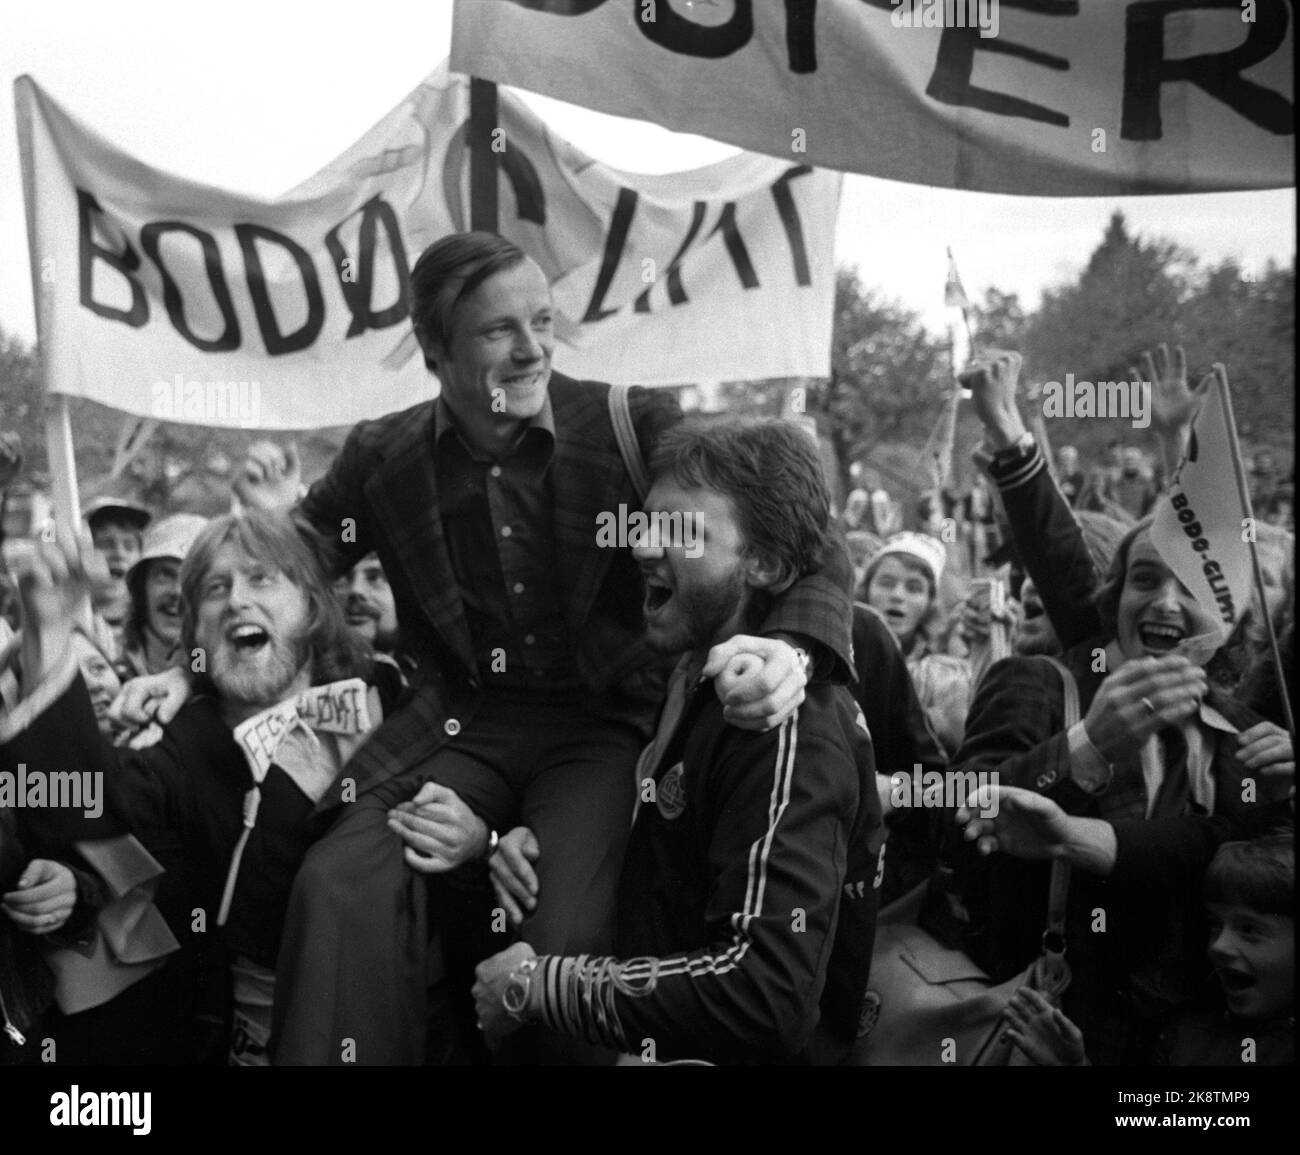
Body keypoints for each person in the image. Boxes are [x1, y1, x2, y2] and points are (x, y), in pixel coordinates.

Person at [131, 231, 855, 1065]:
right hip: (455, 728)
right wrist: (187, 674)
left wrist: (794, 648)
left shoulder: (631, 424)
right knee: (336, 885)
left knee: (560, 942)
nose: (532, 347)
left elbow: (794, 527)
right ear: (436, 351)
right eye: (499, 330)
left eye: (543, 320)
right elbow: (280, 569)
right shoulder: (382, 454)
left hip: (602, 730)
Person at [472, 417, 883, 1064]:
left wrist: (543, 987)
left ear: (765, 563)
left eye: (680, 528)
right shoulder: (690, 672)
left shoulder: (780, 723)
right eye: (644, 521)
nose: (639, 544)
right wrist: (534, 843)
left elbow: (764, 993)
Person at [1, 510, 399, 1065]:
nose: (236, 600)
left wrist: (478, 833)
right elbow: (82, 811)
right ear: (195, 630)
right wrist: (47, 640)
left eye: (261, 578)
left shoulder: (388, 696)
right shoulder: (177, 749)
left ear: (310, 604)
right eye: (216, 588)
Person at [860, 531, 970, 756]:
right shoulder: (840, 659)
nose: (897, 595)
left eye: (914, 588)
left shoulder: (945, 677)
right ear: (866, 590)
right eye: (886, 583)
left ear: (930, 603)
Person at [120, 513, 208, 679]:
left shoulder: (226, 679)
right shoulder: (106, 662)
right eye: (165, 574)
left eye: (192, 577)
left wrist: (190, 678)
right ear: (141, 587)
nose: (177, 591)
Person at [83, 497, 151, 641]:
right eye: (106, 544)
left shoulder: (154, 626)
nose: (119, 554)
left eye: (129, 546)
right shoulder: (62, 623)